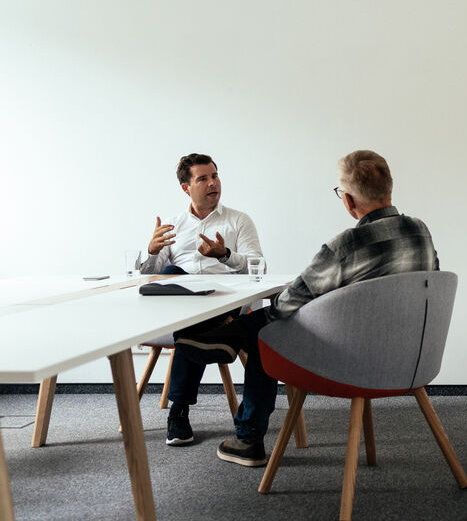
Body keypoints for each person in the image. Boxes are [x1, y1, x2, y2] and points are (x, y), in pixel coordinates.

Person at [176, 150, 439, 467]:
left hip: (356, 364)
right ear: (390, 189)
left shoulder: (345, 246)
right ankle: (231, 335)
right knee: (266, 324)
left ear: (349, 202)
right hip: (415, 359)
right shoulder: (421, 231)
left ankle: (247, 435)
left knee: (268, 329)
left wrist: (268, 315)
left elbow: (291, 299)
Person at [140, 153, 264, 447]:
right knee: (171, 272)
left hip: (224, 298)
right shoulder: (172, 224)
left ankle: (178, 410)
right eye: (203, 178)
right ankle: (219, 330)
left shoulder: (238, 221)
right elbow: (149, 278)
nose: (213, 183)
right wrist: (152, 252)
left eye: (215, 176)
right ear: (186, 187)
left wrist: (224, 255)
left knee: (190, 322)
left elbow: (259, 267)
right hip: (183, 304)